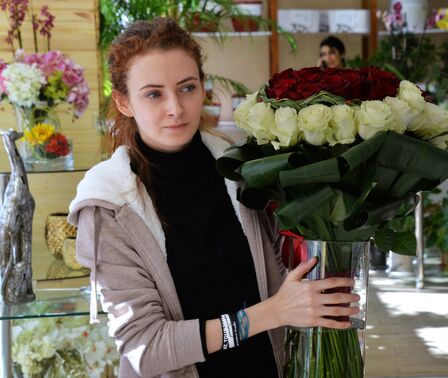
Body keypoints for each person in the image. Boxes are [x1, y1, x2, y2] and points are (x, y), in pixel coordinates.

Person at [68, 17, 360, 378]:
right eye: (154, 94)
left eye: (187, 88)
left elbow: (279, 270)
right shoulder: (108, 205)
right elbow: (147, 348)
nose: (175, 107)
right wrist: (269, 313)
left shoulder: (243, 170)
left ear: (204, 88)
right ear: (124, 102)